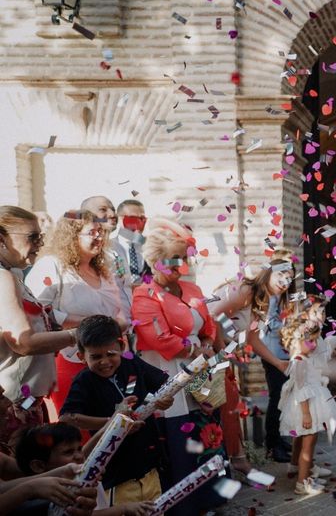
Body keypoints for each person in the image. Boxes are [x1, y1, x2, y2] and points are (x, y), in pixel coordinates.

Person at [130, 218, 224, 516]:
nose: (182, 265)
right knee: (180, 437)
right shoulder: (143, 294)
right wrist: (198, 349)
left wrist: (209, 343)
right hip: (168, 371)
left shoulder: (191, 287)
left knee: (207, 427)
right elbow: (158, 338)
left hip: (200, 369)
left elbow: (207, 325)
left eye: (184, 259)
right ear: (156, 262)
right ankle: (185, 504)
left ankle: (211, 496)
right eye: (175, 260)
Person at [59, 316, 171, 505]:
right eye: (96, 357)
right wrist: (112, 422)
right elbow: (66, 418)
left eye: (110, 354)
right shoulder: (84, 381)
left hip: (149, 466)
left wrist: (165, 399)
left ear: (121, 346)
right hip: (115, 474)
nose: (105, 362)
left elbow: (164, 384)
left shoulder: (132, 363)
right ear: (81, 356)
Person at [25, 211, 130, 413]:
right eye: (92, 232)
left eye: (101, 232)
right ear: (72, 236)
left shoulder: (103, 271)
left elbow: (120, 310)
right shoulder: (52, 266)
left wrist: (117, 323)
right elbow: (36, 311)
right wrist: (87, 323)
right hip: (68, 359)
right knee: (78, 425)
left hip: (107, 362)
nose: (99, 237)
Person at [0, 206, 77, 454]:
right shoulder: (3, 278)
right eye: (32, 237)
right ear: (2, 240)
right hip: (15, 402)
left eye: (40, 237)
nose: (39, 245)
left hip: (26, 399)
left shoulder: (11, 274)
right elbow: (23, 342)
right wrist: (78, 336)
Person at [207, 250, 296, 465]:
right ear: (268, 273)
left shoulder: (259, 301)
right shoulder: (247, 290)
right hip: (207, 354)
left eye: (290, 278)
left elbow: (252, 340)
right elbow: (214, 317)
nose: (285, 281)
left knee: (228, 407)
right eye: (281, 275)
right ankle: (227, 463)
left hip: (219, 355)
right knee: (218, 407)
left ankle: (233, 461)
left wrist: (278, 363)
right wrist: (221, 354)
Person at [14, 423, 153, 515]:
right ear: (39, 466)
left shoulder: (78, 474)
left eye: (79, 449)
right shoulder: (55, 495)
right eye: (68, 452)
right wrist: (124, 508)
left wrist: (108, 429)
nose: (80, 456)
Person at [277, 300, 336, 495]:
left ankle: (299, 471)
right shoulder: (299, 362)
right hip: (307, 405)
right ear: (296, 342)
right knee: (308, 444)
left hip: (313, 398)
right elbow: (300, 390)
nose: (314, 345)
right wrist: (306, 414)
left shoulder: (303, 357)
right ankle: (302, 484)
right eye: (310, 341)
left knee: (304, 439)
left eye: (315, 340)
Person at [109, 200, 148, 308]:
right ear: (119, 219)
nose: (139, 223)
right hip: (119, 307)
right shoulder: (107, 248)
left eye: (142, 219)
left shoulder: (150, 248)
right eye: (132, 219)